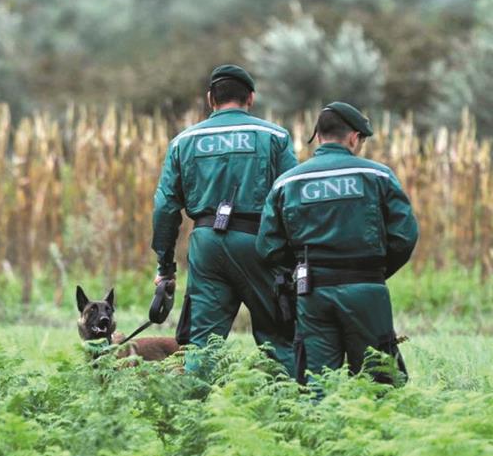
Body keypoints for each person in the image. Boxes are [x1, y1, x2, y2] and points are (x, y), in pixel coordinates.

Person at [255, 102, 419, 386]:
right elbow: (404, 235)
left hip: (313, 293)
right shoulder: (378, 175)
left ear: (318, 136)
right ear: (354, 138)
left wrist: (301, 270)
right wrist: (375, 272)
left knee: (318, 383)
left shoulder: (287, 182)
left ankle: (321, 429)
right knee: (378, 379)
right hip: (366, 290)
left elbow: (268, 247)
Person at [151, 64, 298, 375]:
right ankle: (295, 414)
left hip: (206, 246)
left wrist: (165, 268)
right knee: (280, 338)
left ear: (210, 99)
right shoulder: (274, 136)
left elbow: (165, 207)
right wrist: (297, 260)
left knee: (201, 345)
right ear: (251, 98)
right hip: (260, 244)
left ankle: (192, 415)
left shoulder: (183, 142)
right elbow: (293, 201)